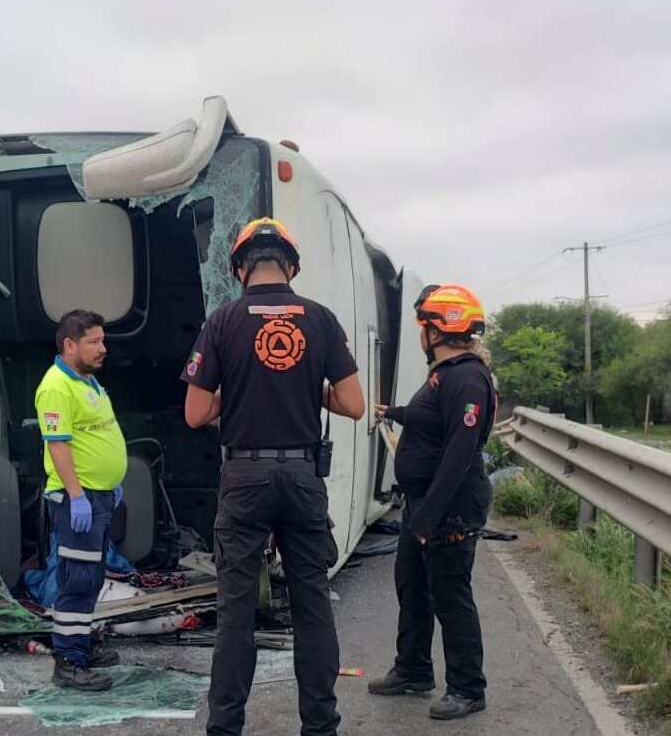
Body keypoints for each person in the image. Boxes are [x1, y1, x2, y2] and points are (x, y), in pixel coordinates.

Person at [183, 217, 365, 736]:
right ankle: (320, 728)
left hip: (244, 476)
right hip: (303, 477)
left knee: (236, 610)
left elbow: (196, 414)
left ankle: (224, 729)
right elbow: (352, 404)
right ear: (292, 265)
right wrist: (311, 390)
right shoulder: (321, 319)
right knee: (312, 606)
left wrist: (238, 393)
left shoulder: (221, 321)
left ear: (240, 267)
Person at [368, 283, 497, 721]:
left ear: (436, 331)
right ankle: (413, 670)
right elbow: (430, 418)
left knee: (450, 594)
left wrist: (428, 518)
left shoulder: (466, 377)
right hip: (423, 503)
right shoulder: (446, 374)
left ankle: (467, 687)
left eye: (423, 324)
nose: (420, 333)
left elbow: (459, 455)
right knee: (413, 586)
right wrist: (395, 413)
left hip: (449, 507)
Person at [34, 309, 128, 691]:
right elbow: (57, 445)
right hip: (80, 499)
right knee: (76, 579)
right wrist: (77, 495)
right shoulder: (56, 386)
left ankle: (81, 645)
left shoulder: (85, 381)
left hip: (98, 495)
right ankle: (68, 661)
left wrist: (111, 482)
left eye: (102, 341)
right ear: (69, 344)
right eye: (94, 342)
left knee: (91, 577)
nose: (102, 348)